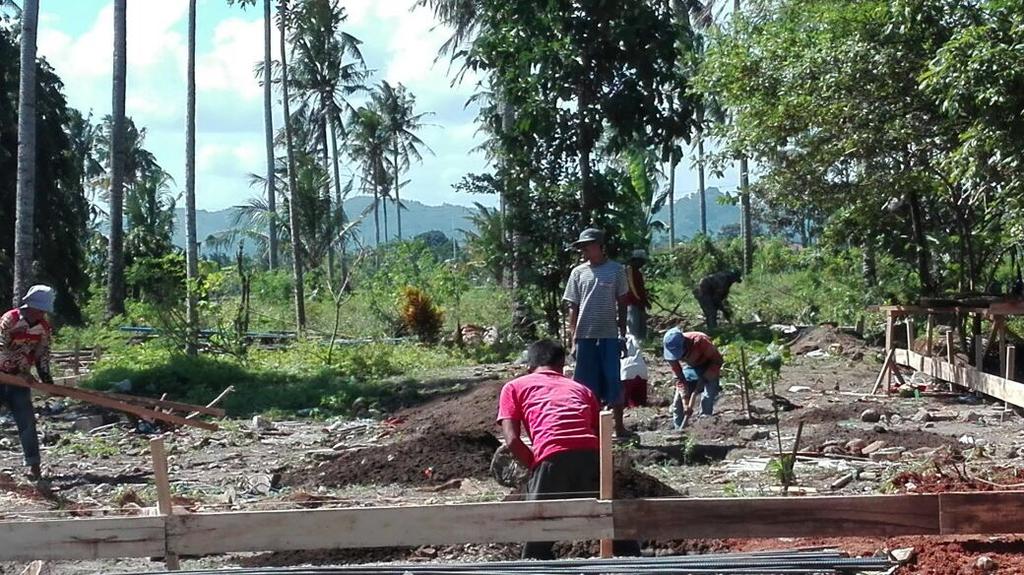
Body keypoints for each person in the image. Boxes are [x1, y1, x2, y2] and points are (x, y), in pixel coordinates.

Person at [497, 339, 639, 560]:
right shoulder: (582, 389)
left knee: (539, 537)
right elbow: (600, 435)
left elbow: (513, 440)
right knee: (614, 527)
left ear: (529, 366)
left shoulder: (514, 387)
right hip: (593, 458)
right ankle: (637, 564)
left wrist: (535, 467)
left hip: (551, 458)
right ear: (562, 366)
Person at [562, 228, 631, 437]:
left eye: (588, 246)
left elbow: (623, 303)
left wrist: (622, 333)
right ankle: (589, 429)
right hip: (585, 336)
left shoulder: (616, 270)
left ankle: (619, 427)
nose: (584, 250)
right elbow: (573, 306)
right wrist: (573, 336)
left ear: (600, 247)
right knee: (585, 383)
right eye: (582, 247)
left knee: (613, 379)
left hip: (609, 334)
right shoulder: (578, 273)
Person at [0, 285, 56, 480]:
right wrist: (19, 370)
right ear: (30, 305)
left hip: (20, 381)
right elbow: (1, 348)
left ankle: (33, 466)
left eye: (43, 311)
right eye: (39, 309)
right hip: (2, 374)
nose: (41, 313)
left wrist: (47, 379)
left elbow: (42, 354)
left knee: (26, 422)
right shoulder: (10, 320)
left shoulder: (43, 328)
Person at [662, 327, 723, 428]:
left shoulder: (700, 341)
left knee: (707, 397)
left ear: (685, 343)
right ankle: (679, 429)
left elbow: (717, 360)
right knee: (678, 401)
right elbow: (679, 377)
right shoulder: (669, 352)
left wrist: (705, 378)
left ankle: (705, 426)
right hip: (692, 367)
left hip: (710, 364)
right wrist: (685, 402)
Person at [624, 249, 651, 341]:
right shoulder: (629, 270)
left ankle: (641, 347)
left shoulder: (638, 272)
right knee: (633, 327)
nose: (642, 263)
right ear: (635, 260)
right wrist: (638, 298)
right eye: (641, 261)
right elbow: (631, 287)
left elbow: (641, 289)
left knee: (641, 327)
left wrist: (645, 301)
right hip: (632, 303)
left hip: (640, 303)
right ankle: (632, 347)